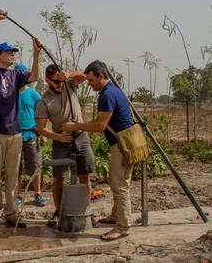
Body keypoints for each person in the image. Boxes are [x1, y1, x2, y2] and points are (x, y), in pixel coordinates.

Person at [0, 9, 42, 230]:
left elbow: (35, 76)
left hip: (15, 131)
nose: (12, 54)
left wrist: (36, 54)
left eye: (13, 52)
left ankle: (12, 213)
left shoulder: (16, 75)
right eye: (8, 52)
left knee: (13, 176)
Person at [62, 60, 135, 241]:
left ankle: (123, 226)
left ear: (101, 76)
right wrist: (70, 74)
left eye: (92, 80)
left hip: (122, 145)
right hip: (124, 143)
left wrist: (75, 126)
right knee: (116, 182)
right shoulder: (112, 90)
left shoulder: (107, 95)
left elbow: (100, 126)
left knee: (120, 187)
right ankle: (116, 216)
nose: (89, 84)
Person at [36, 64, 95, 228]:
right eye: (55, 81)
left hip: (81, 137)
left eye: (60, 80)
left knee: (85, 175)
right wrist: (58, 137)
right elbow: (41, 128)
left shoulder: (69, 85)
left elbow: (84, 74)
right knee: (59, 177)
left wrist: (67, 75)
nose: (59, 84)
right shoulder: (44, 101)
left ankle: (85, 211)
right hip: (61, 141)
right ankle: (58, 211)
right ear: (47, 80)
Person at [14, 63, 47, 207]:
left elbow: (42, 115)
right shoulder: (10, 94)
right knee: (16, 168)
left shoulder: (33, 95)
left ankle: (38, 194)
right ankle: (18, 196)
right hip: (14, 136)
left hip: (31, 135)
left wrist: (43, 133)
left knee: (36, 166)